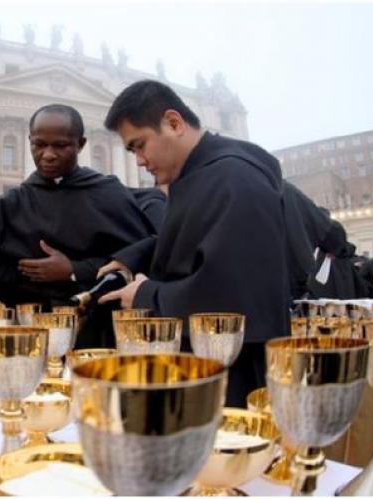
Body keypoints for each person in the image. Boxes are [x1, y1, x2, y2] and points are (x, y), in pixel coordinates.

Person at [96, 80, 289, 407]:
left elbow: (232, 296)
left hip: (232, 379)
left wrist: (145, 295)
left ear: (174, 123)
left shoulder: (234, 178)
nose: (139, 161)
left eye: (140, 145)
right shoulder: (205, 175)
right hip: (205, 368)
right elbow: (203, 241)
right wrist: (137, 255)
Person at [0, 104, 155, 348]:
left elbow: (143, 256)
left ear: (81, 144)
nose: (48, 154)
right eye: (39, 144)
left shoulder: (109, 193)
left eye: (60, 145)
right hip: (28, 336)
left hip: (97, 336)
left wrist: (74, 270)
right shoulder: (14, 202)